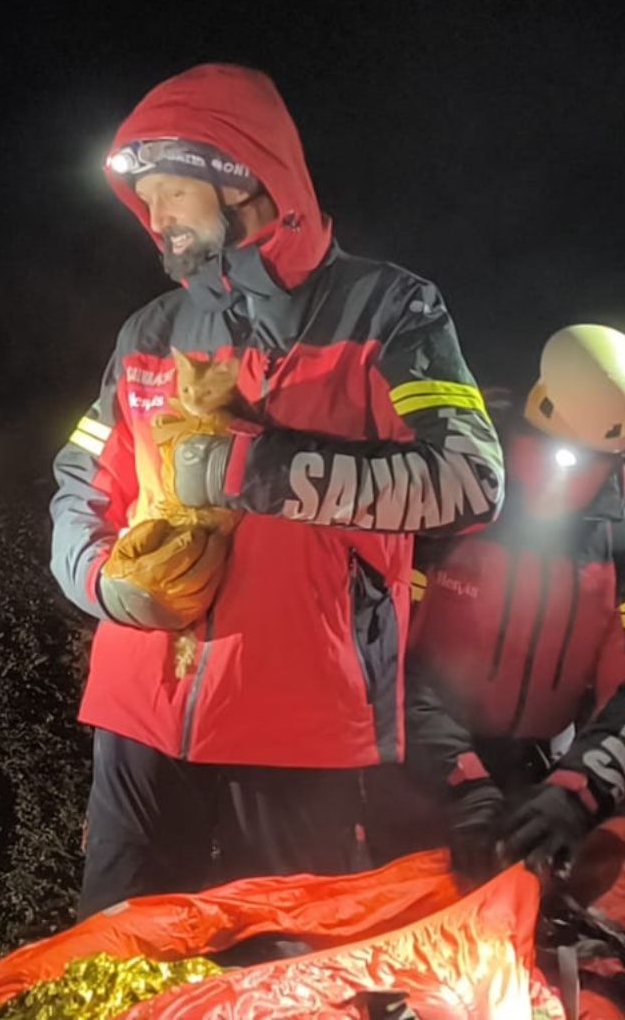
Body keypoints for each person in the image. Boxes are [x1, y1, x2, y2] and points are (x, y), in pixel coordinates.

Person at [50, 64, 504, 918]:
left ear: (244, 181)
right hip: (140, 715)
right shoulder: (149, 330)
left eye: (174, 194)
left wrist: (255, 472)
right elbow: (80, 478)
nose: (154, 219)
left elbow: (470, 482)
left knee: (285, 975)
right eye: (145, 199)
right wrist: (100, 581)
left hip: (303, 725)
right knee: (111, 963)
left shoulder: (390, 311)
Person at [388, 324, 625, 883]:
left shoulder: (615, 540)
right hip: (416, 774)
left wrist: (579, 791)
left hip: (541, 778)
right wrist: (461, 782)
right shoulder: (453, 499)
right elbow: (388, 657)